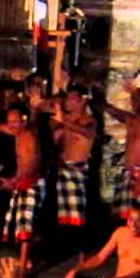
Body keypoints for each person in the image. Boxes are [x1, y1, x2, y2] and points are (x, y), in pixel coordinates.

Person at [0, 105, 45, 277]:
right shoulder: (17, 133)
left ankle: (23, 270)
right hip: (21, 183)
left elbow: (31, 164)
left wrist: (14, 180)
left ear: (24, 121)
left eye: (16, 121)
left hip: (31, 183)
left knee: (25, 226)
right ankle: (28, 258)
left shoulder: (30, 137)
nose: (12, 125)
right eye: (9, 121)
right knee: (20, 226)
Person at [103, 81, 140, 220]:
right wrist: (98, 101)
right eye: (132, 99)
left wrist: (133, 91)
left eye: (135, 100)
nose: (132, 102)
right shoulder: (131, 119)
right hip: (128, 173)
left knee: (138, 216)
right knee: (120, 216)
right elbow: (114, 112)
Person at [53, 86, 96, 231]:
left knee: (77, 210)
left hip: (78, 168)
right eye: (67, 99)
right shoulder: (65, 119)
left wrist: (63, 121)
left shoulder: (89, 120)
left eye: (72, 99)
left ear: (82, 100)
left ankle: (81, 251)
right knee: (63, 212)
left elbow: (88, 133)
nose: (68, 102)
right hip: (63, 168)